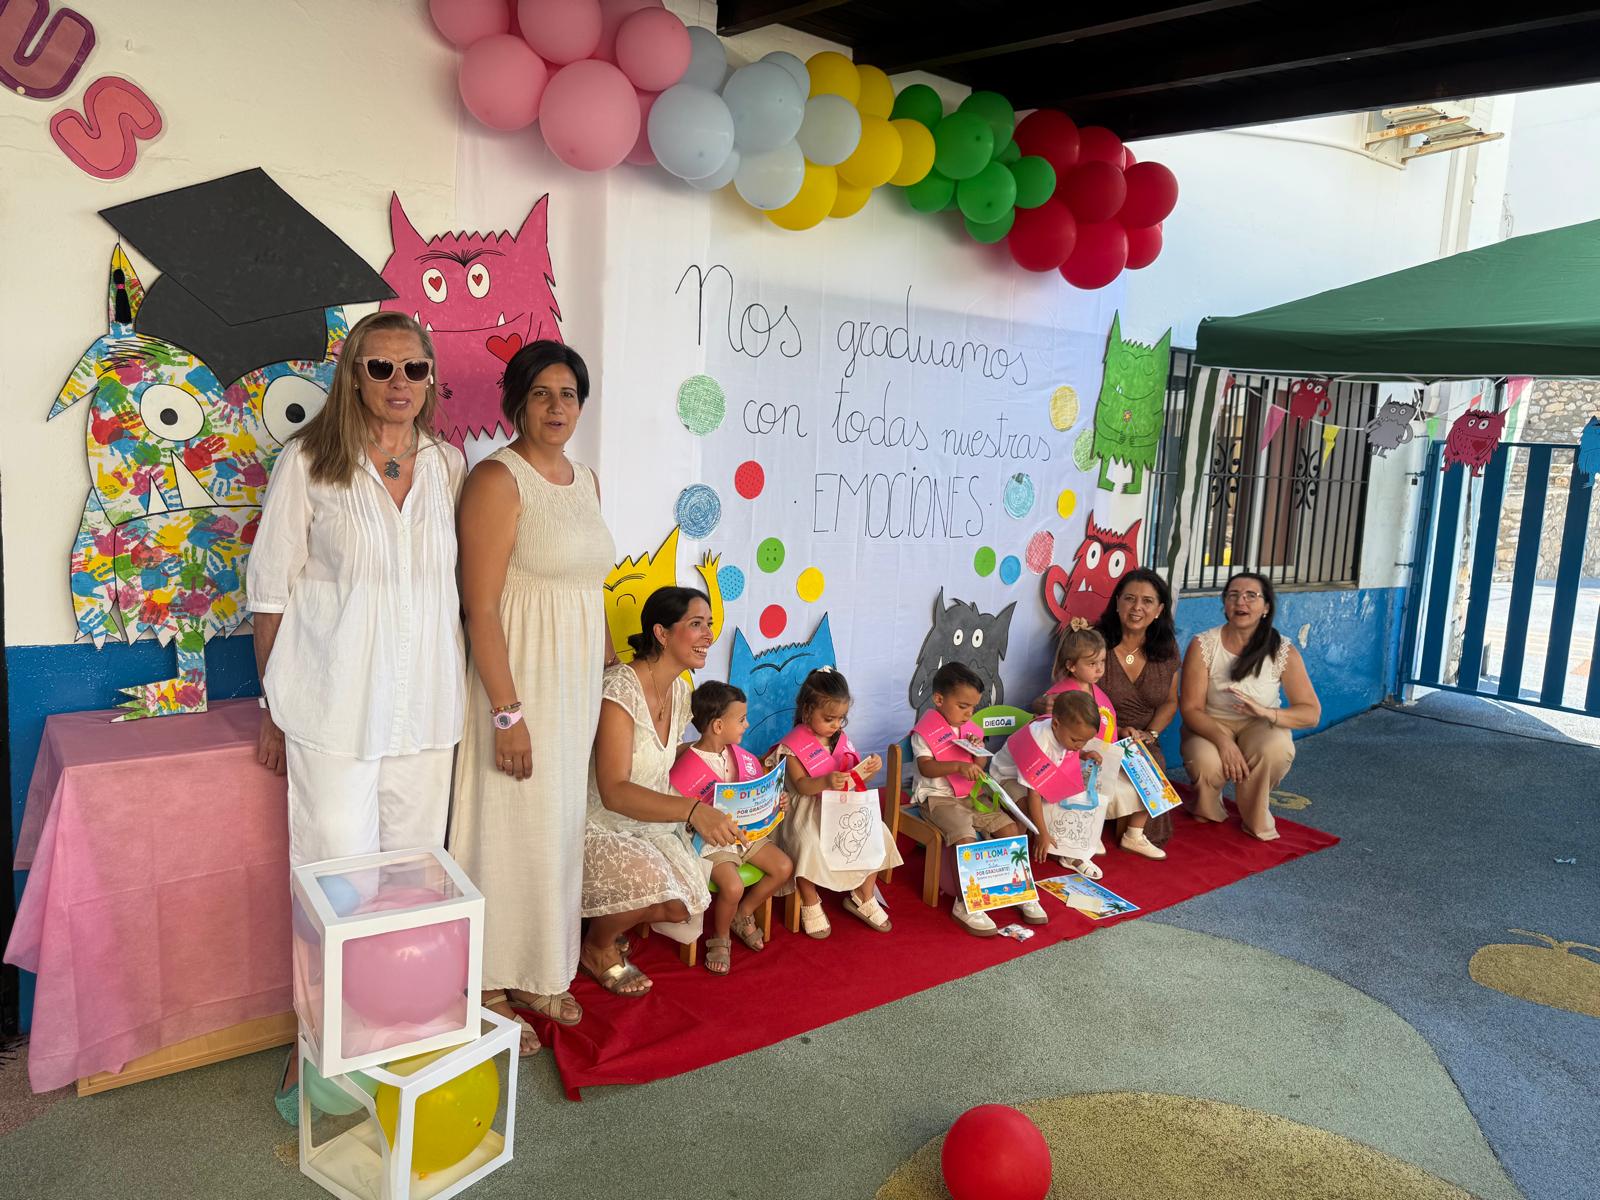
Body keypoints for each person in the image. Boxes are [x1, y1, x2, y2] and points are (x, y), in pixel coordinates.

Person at [248, 311, 465, 1119]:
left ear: (431, 377)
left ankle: (398, 1038)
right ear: (352, 375)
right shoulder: (310, 462)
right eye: (380, 368)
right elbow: (270, 591)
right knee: (335, 884)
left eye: (414, 368)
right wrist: (274, 705)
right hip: (333, 710)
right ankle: (318, 1044)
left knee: (412, 884)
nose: (399, 383)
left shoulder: (447, 464)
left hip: (425, 713)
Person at [446, 341, 615, 1053]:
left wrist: (608, 669)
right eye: (541, 393)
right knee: (503, 827)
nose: (556, 406)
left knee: (554, 828)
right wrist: (507, 713)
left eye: (568, 393)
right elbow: (480, 607)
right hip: (515, 684)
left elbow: (588, 586)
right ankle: (484, 983)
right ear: (516, 401)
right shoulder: (496, 478)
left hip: (572, 686)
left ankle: (540, 967)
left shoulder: (588, 480)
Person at [580, 588, 739, 995]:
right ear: (662, 633)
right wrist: (693, 810)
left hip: (654, 822)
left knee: (684, 906)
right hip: (602, 824)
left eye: (709, 625)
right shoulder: (620, 688)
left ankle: (612, 919)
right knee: (652, 884)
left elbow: (670, 756)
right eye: (696, 624)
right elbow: (614, 792)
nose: (709, 635)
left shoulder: (681, 690)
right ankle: (597, 946)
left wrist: (729, 782)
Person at [1180, 571, 1321, 841]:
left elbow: (1311, 713)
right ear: (1224, 604)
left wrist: (1265, 712)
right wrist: (1224, 743)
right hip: (1212, 723)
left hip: (1260, 724)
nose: (1240, 602)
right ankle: (1207, 807)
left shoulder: (1283, 651)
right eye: (1233, 595)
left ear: (1266, 607)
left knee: (1275, 750)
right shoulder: (1203, 645)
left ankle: (1255, 815)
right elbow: (1190, 709)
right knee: (1206, 761)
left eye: (1251, 596)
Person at [670, 682, 795, 975]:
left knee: (783, 867)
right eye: (741, 719)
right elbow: (677, 815)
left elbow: (754, 796)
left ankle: (744, 913)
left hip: (745, 834)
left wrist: (777, 801)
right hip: (711, 841)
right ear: (718, 725)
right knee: (733, 885)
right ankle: (721, 935)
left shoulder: (740, 757)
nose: (747, 724)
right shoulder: (686, 767)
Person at [770, 668, 902, 939]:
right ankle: (809, 898)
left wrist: (869, 769)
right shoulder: (792, 745)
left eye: (841, 718)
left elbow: (852, 775)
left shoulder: (840, 739)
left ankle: (863, 895)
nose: (836, 725)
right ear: (808, 711)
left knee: (877, 831)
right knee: (806, 842)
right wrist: (826, 781)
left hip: (840, 804)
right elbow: (802, 786)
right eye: (829, 719)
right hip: (805, 808)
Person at [910, 662, 1027, 936]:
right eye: (963, 706)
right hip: (937, 799)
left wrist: (976, 752)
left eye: (973, 707)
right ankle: (965, 904)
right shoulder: (924, 731)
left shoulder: (969, 729)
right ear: (939, 699)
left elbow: (979, 767)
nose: (969, 713)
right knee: (966, 837)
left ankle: (1017, 890)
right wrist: (957, 766)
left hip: (970, 796)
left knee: (1009, 828)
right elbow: (926, 768)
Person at [1045, 619, 1166, 861]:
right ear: (1071, 665)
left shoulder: (1095, 690)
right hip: (1079, 761)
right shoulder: (1062, 696)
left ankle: (1134, 834)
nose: (1099, 669)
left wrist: (1122, 731)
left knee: (1148, 777)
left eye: (1102, 662)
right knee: (1096, 781)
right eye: (1092, 664)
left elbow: (1102, 724)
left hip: (1107, 756)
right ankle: (1089, 829)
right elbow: (1053, 732)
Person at [1095, 567, 1182, 850]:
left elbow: (1170, 701)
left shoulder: (1166, 647)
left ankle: (1134, 835)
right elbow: (1077, 697)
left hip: (1141, 738)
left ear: (1159, 610)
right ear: (1117, 602)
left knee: (1152, 761)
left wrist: (1151, 734)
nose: (1137, 608)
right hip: (1097, 731)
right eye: (1130, 598)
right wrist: (1117, 730)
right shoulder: (1095, 641)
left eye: (1147, 601)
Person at [991, 692, 1102, 883]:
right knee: (1026, 811)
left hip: (1042, 775)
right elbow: (1033, 794)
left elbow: (1064, 750)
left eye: (1084, 741)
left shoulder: (1064, 732)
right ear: (1056, 724)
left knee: (1069, 799)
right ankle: (1013, 861)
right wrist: (1041, 833)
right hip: (1006, 777)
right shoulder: (1039, 741)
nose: (1079, 745)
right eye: (1076, 740)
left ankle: (1068, 851)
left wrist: (1083, 753)